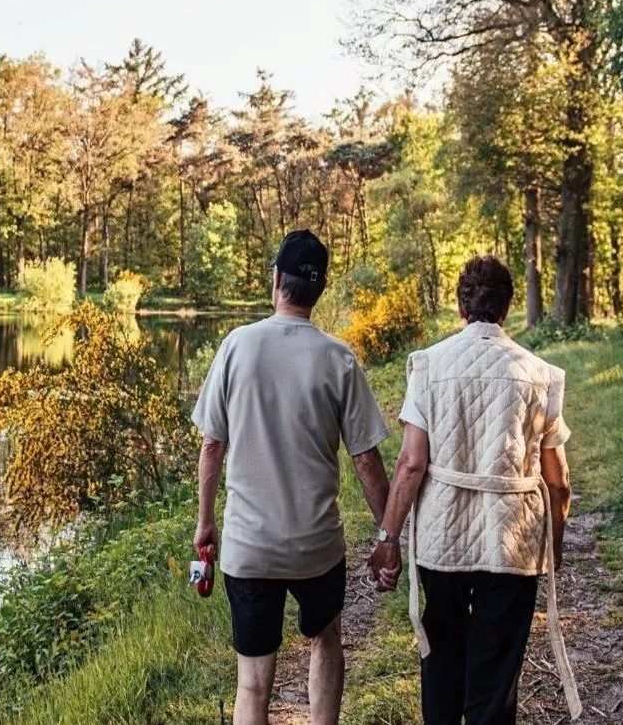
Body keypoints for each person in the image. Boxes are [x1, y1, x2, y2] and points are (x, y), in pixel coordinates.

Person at [368, 255, 582, 725]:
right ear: (506, 307)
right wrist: (554, 545)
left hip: (443, 539)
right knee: (496, 676)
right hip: (514, 541)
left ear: (461, 306)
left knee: (442, 658)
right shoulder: (539, 374)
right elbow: (558, 480)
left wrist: (388, 539)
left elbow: (410, 464)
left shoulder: (429, 366)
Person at [193, 229, 394, 725]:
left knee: (253, 680)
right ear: (320, 289)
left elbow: (212, 445)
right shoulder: (339, 358)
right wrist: (389, 533)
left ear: (276, 280)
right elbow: (365, 460)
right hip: (316, 546)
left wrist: (205, 523)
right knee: (325, 641)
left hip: (249, 545)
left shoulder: (237, 346)